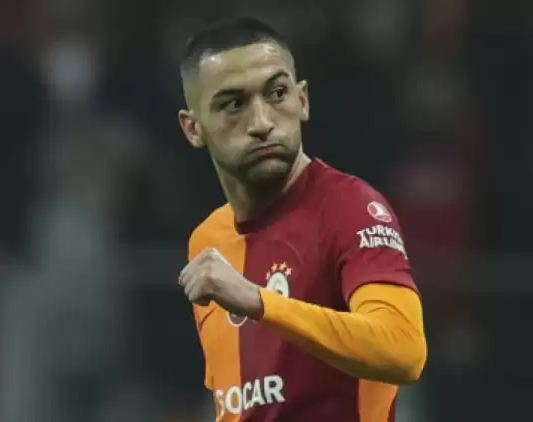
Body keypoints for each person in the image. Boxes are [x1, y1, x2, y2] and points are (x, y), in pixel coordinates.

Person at [176, 18, 427, 422]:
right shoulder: (208, 240)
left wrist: (258, 301)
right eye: (234, 104)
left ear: (302, 99)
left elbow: (404, 350)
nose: (262, 123)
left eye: (277, 93)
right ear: (193, 128)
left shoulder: (349, 207)